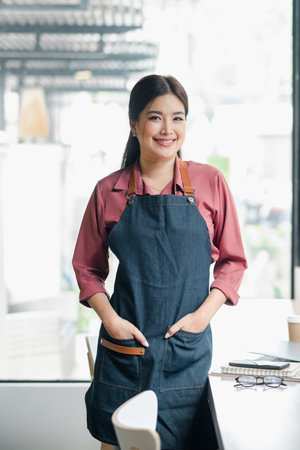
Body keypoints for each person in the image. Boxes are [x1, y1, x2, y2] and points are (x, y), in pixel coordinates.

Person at [72, 74, 247, 450]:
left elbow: (233, 262)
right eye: (155, 117)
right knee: (119, 444)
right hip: (125, 350)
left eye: (178, 117)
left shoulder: (210, 181)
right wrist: (111, 320)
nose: (168, 129)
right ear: (134, 125)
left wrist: (202, 317)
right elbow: (87, 267)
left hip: (187, 351)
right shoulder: (109, 190)